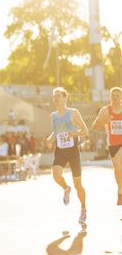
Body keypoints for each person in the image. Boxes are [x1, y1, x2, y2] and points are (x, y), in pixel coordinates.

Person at [46, 87, 90, 223]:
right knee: (56, 175)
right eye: (54, 96)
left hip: (72, 151)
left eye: (59, 96)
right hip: (60, 150)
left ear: (65, 98)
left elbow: (85, 131)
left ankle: (83, 208)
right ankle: (66, 188)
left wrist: (74, 133)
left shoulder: (73, 113)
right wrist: (50, 138)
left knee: (78, 185)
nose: (56, 98)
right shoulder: (53, 115)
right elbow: (57, 131)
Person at [92, 87, 122, 205]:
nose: (115, 98)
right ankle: (120, 190)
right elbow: (94, 126)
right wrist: (104, 121)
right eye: (113, 95)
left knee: (119, 163)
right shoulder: (105, 110)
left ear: (121, 97)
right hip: (112, 144)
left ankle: (120, 192)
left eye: (117, 95)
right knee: (117, 167)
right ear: (110, 97)